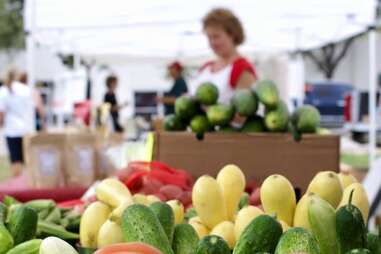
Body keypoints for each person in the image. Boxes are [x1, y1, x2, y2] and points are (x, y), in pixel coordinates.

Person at [192, 8, 258, 104]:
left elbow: (243, 113)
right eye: (209, 38)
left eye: (216, 36)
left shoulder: (242, 68)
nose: (212, 42)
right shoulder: (206, 67)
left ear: (232, 35)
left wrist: (204, 108)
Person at [0, 68, 44, 177]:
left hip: (12, 130)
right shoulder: (28, 90)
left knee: (16, 161)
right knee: (29, 160)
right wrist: (42, 124)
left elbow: (2, 113)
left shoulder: (4, 91)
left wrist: (1, 125)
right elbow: (39, 107)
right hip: (28, 130)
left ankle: (17, 186)